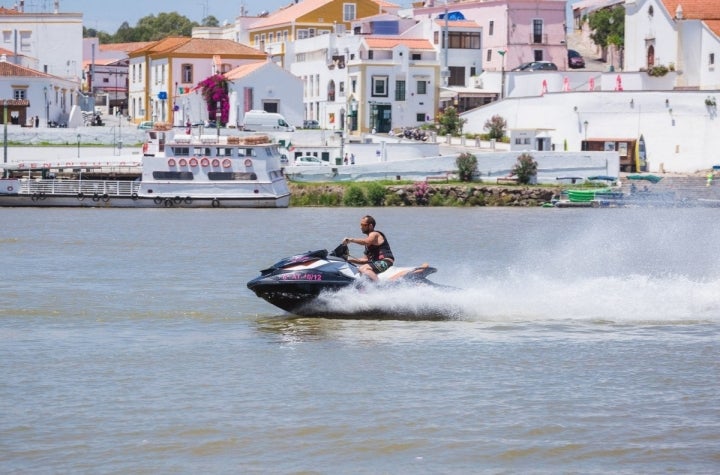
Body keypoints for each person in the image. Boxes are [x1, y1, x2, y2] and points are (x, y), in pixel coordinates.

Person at [343, 215, 394, 281]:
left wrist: (351, 240)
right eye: (360, 225)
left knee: (363, 268)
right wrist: (347, 259)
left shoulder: (375, 234)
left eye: (363, 225)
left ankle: (379, 286)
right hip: (376, 263)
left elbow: (366, 241)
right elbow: (365, 260)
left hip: (385, 262)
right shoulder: (368, 244)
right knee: (360, 270)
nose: (361, 227)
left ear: (370, 226)